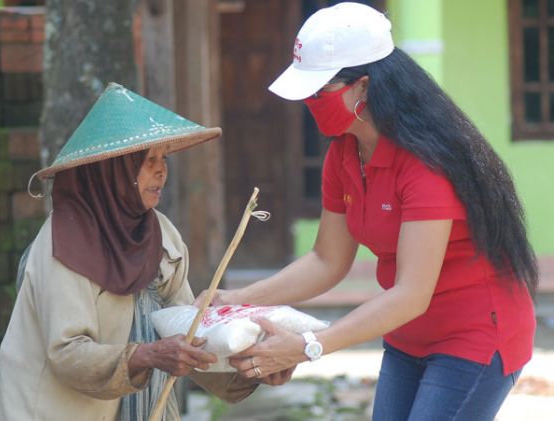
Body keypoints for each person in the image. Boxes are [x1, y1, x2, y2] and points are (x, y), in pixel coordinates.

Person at [199, 3, 539, 420]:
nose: (308, 102)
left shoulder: (425, 164)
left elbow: (411, 293)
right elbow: (327, 260)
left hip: (474, 336)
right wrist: (236, 301)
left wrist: (309, 346)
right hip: (405, 334)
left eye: (318, 92)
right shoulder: (344, 153)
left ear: (362, 86)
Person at [0, 83, 280, 421]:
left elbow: (189, 337)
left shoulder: (163, 236)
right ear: (111, 170)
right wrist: (146, 356)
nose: (160, 171)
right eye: (146, 161)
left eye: (163, 159)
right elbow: (67, 354)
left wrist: (255, 366)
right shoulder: (64, 242)